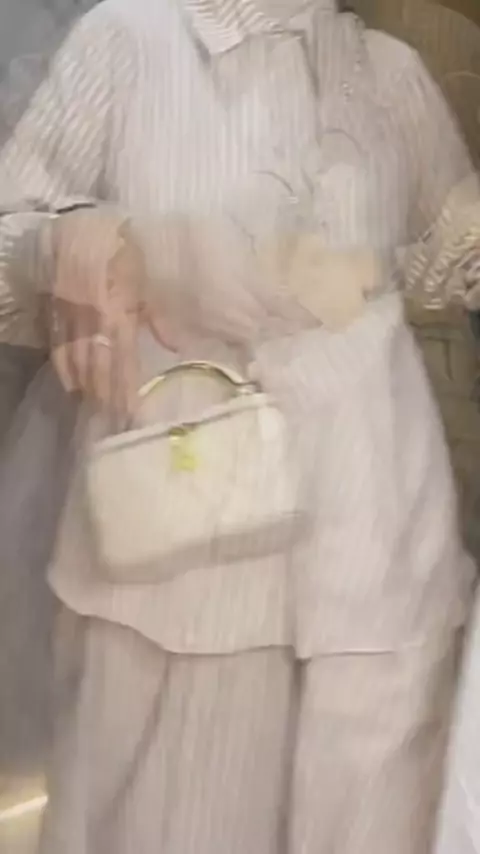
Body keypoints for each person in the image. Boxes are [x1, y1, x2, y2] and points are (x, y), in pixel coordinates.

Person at [0, 0, 479, 851]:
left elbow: (446, 265)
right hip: (180, 550)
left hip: (379, 544)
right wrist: (76, 244)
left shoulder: (391, 74)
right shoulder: (129, 42)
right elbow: (13, 241)